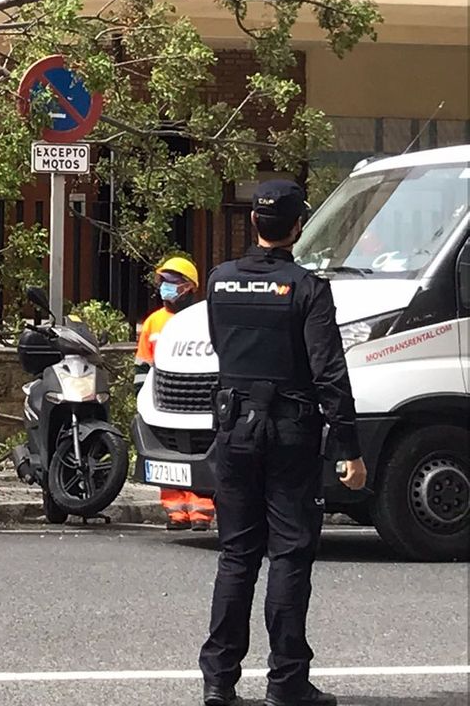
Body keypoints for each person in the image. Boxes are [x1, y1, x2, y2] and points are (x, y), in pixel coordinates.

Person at [198, 180, 367, 706]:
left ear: (254, 223)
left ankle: (218, 682)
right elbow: (329, 374)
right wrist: (349, 449)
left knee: (236, 555)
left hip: (232, 429)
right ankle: (286, 681)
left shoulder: (220, 281)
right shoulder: (308, 288)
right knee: (290, 554)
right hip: (290, 432)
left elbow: (221, 346)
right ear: (297, 227)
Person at [137, 254, 215, 531]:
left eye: (173, 282)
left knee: (198, 456)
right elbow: (143, 363)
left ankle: (201, 514)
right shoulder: (153, 322)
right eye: (163, 281)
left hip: (195, 401)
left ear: (189, 287)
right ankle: (176, 513)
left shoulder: (202, 320)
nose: (165, 287)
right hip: (163, 400)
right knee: (168, 459)